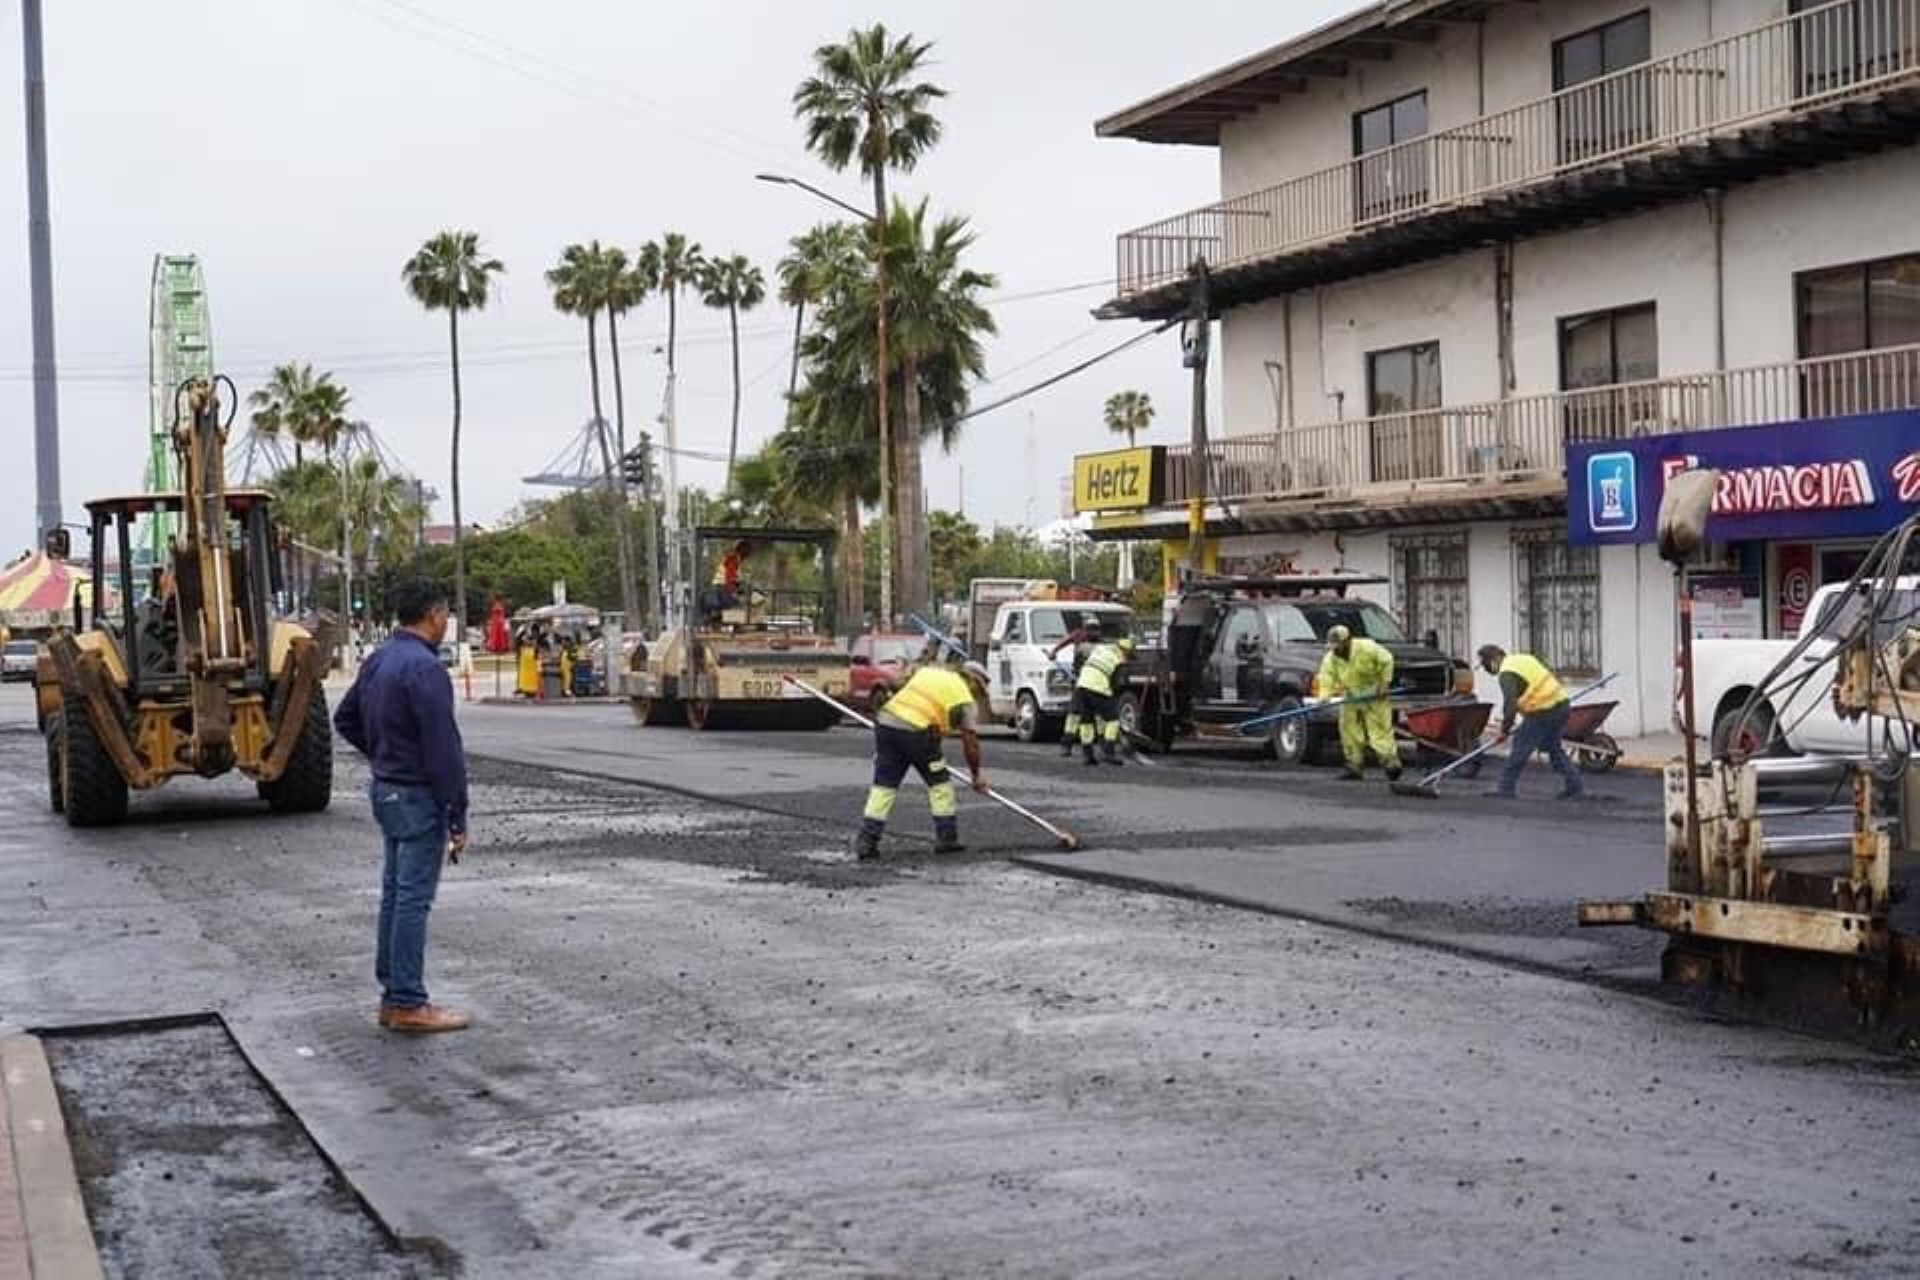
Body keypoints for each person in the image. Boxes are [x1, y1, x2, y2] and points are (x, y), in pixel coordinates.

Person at [334, 580, 471, 1034]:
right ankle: (408, 1001)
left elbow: (345, 718)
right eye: (445, 614)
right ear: (434, 615)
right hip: (416, 795)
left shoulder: (379, 660)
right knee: (413, 898)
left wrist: (384, 753)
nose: (446, 622)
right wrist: (457, 812)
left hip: (387, 789)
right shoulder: (424, 669)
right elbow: (443, 748)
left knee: (395, 894)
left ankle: (394, 994)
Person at [855, 660, 993, 861]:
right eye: (979, 691)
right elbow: (970, 742)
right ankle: (947, 839)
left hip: (886, 726)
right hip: (917, 734)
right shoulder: (964, 698)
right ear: (973, 682)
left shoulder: (929, 673)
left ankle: (867, 840)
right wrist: (976, 775)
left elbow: (895, 686)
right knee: (940, 785)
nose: (977, 696)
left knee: (884, 787)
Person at [1476, 644, 1583, 800]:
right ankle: (1575, 786)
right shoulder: (1523, 659)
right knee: (1554, 748)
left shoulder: (1506, 673)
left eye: (1485, 664)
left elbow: (1510, 706)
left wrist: (1504, 731)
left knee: (1520, 747)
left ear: (1493, 660)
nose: (1486, 669)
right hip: (1561, 706)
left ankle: (1505, 789)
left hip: (1543, 711)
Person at [1318, 623, 1401, 782]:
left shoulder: (1367, 648)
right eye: (1333, 647)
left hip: (1374, 694)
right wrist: (1324, 696)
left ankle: (1391, 764)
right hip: (1352, 697)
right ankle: (1353, 766)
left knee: (1379, 731)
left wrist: (1384, 683)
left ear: (1348, 640)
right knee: (1349, 731)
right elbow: (1326, 677)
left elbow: (1387, 660)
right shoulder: (1331, 658)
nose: (1336, 650)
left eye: (1338, 646)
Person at [1074, 633, 1134, 767]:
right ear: (1126, 651)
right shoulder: (1119, 659)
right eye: (1129, 654)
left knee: (1087, 722)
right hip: (1098, 688)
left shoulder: (1101, 648)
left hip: (1081, 686)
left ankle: (1088, 756)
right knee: (1113, 720)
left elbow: (1081, 657)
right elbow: (1116, 683)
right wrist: (1113, 695)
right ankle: (1109, 753)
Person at [1047, 623, 1097, 758]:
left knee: (1092, 715)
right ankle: (1067, 745)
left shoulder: (1096, 643)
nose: (1092, 633)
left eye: (1094, 629)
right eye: (1090, 629)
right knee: (1075, 714)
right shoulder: (1079, 636)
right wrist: (1054, 651)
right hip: (1081, 681)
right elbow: (1066, 642)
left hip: (1092, 682)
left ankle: (1102, 746)